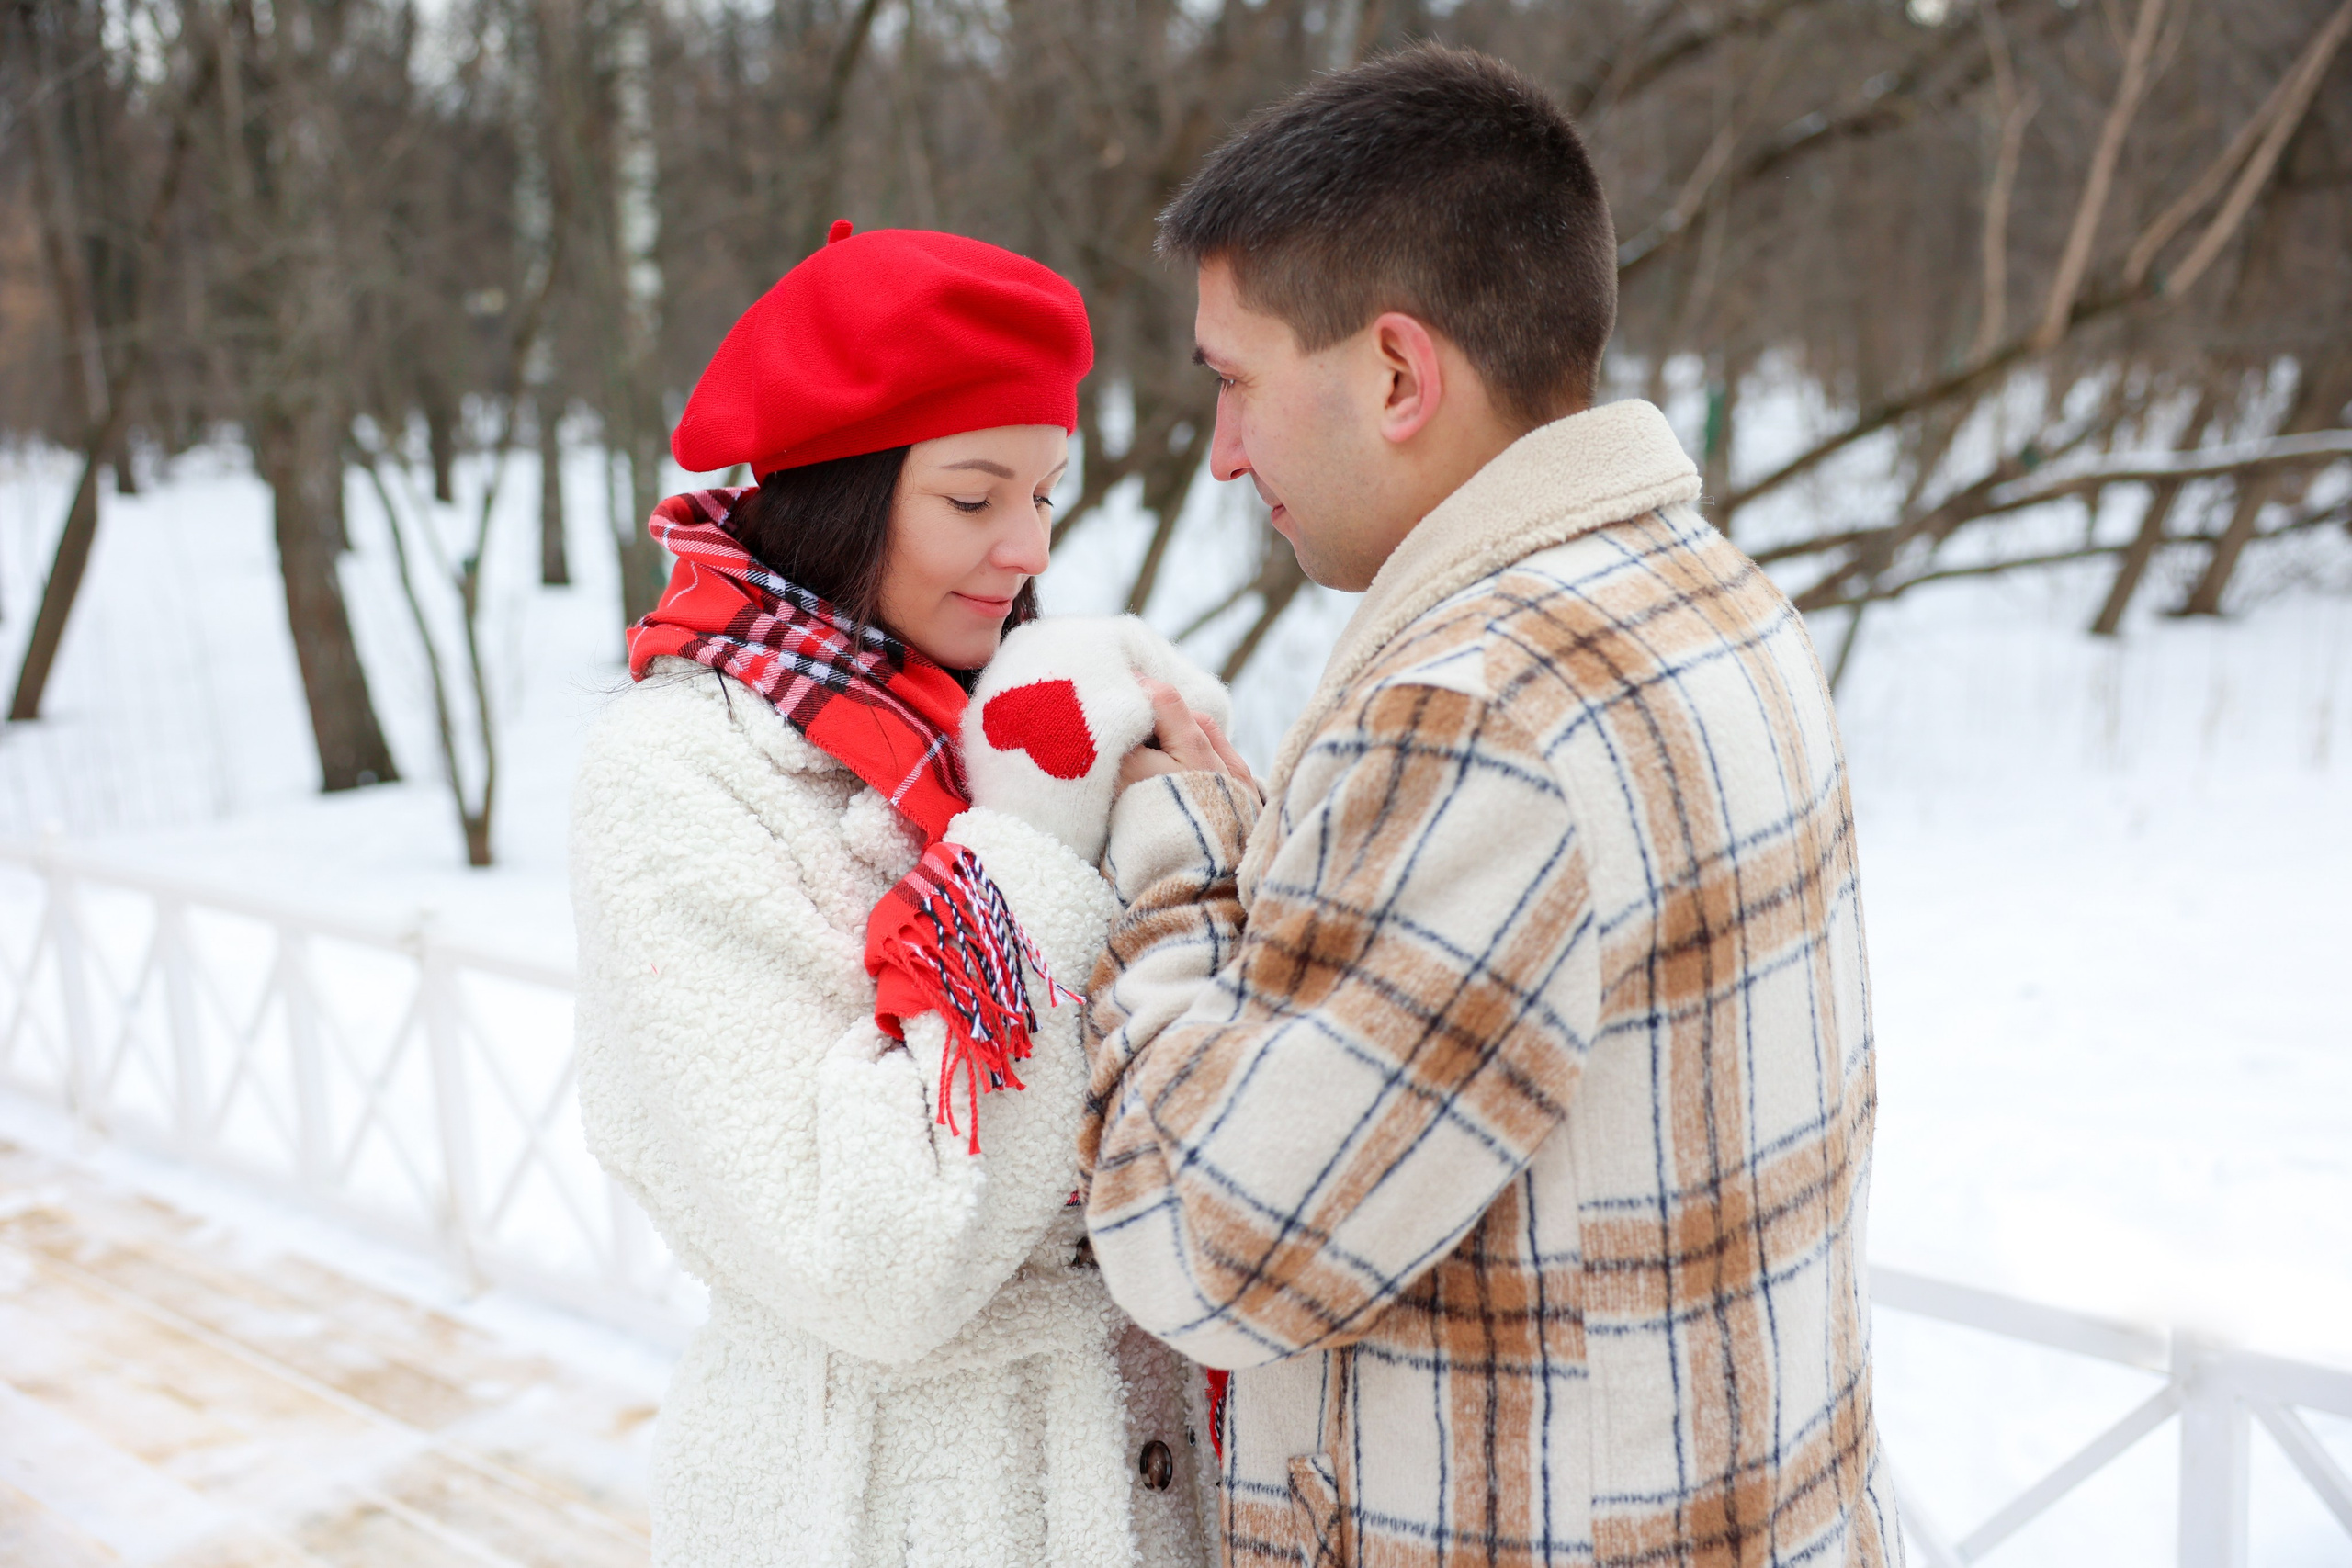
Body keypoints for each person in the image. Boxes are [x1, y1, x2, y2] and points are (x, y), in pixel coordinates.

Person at [1080, 47, 1902, 1566]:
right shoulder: (1715, 598)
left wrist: (1188, 853)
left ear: (1397, 373)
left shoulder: (1474, 720)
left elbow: (1203, 1243)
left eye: (1237, 384)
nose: (1222, 455)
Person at [571, 221, 1224, 1567]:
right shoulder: (682, 779)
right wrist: (1034, 847)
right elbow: (871, 1255)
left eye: (1046, 494)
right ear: (843, 492)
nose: (1023, 546)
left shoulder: (1015, 713)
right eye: (975, 498)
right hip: (888, 1504)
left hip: (1139, 1476)